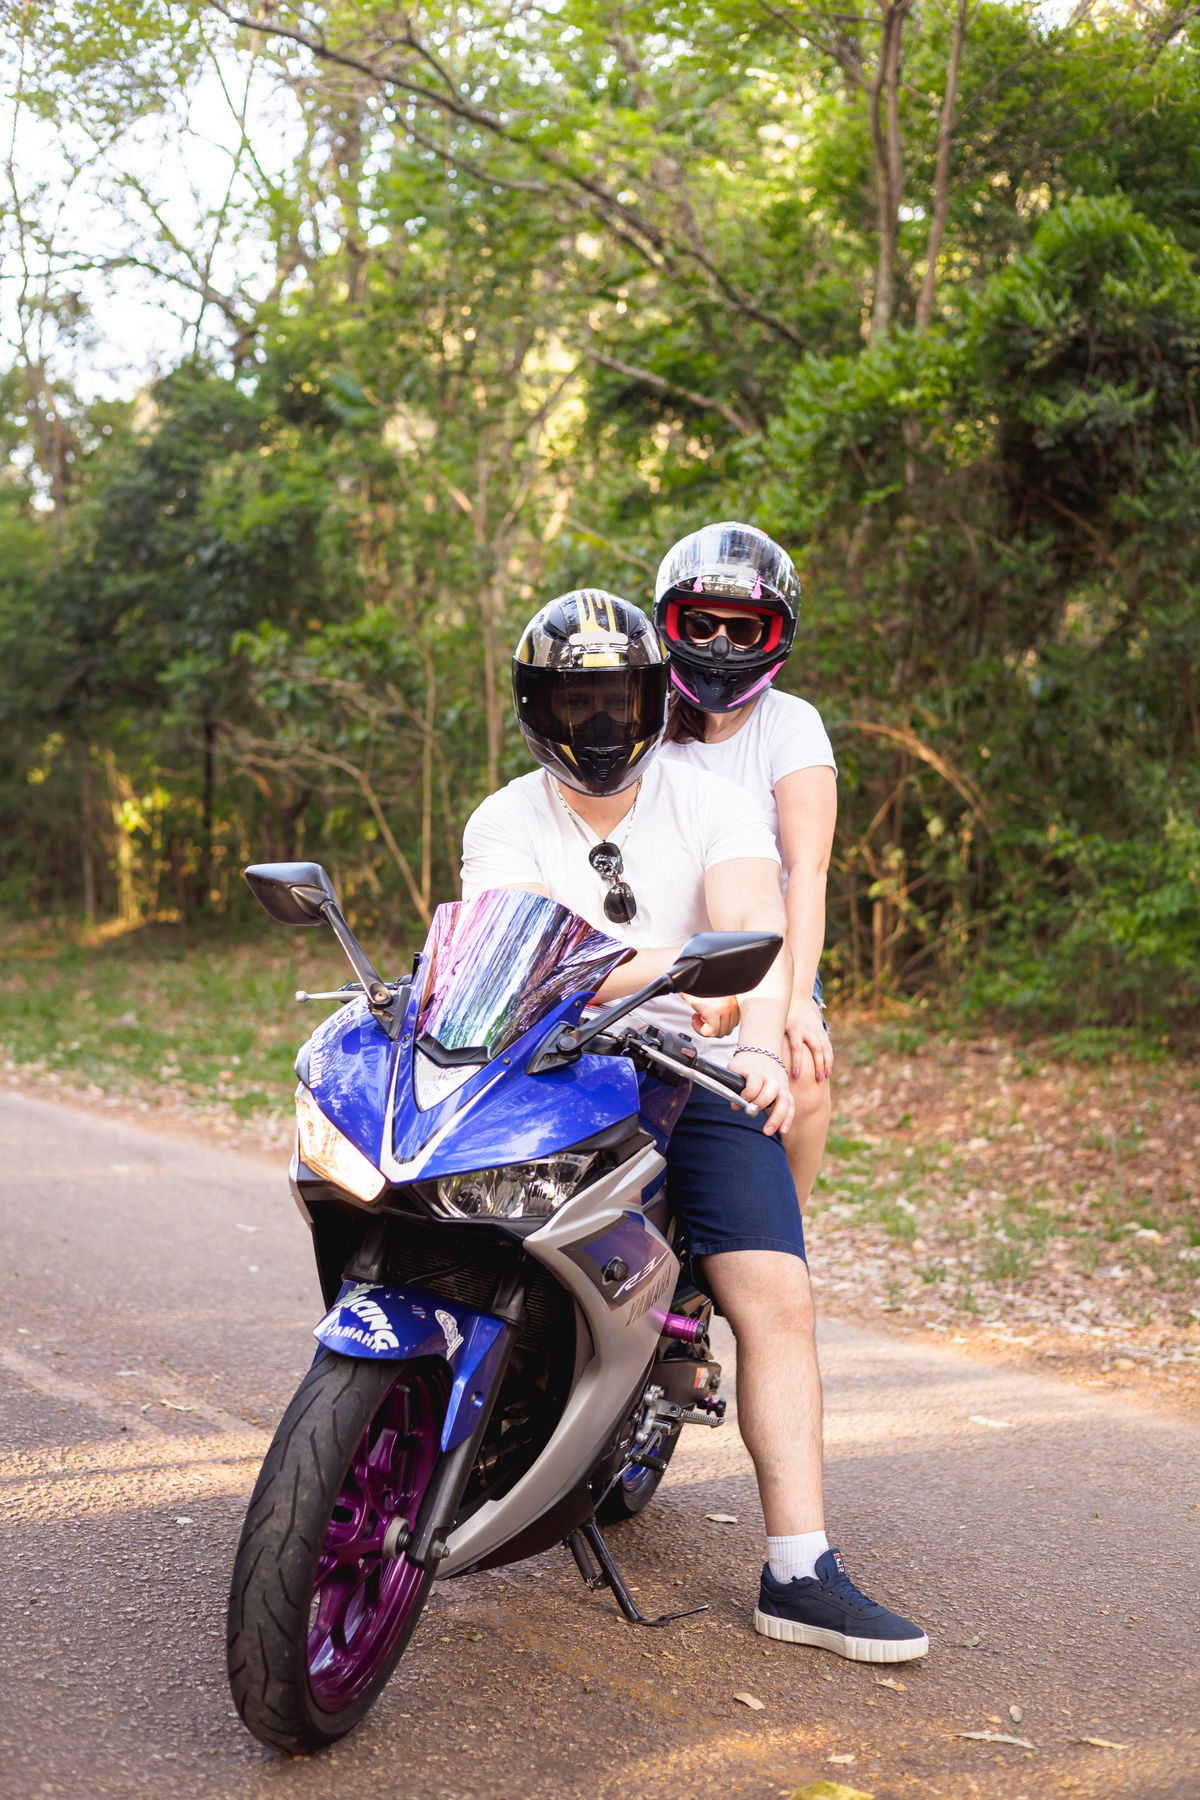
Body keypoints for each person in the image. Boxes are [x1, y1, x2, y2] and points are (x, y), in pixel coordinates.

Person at [460, 586, 927, 1665]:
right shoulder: (502, 817)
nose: (599, 725)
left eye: (617, 698)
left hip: (695, 1068)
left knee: (780, 1296)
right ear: (535, 706)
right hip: (550, 1066)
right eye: (571, 701)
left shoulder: (713, 800)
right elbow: (522, 959)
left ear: (652, 698)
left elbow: (753, 924)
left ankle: (801, 1568)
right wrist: (668, 968)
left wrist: (762, 1038)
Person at [655, 521, 836, 1213]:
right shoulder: (642, 722)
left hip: (766, 950)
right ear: (671, 622)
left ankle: (776, 1233)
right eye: (701, 625)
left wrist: (794, 1005)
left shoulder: (791, 724)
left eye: (744, 628)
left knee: (807, 1079)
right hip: (664, 942)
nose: (721, 645)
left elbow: (808, 870)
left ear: (775, 635)